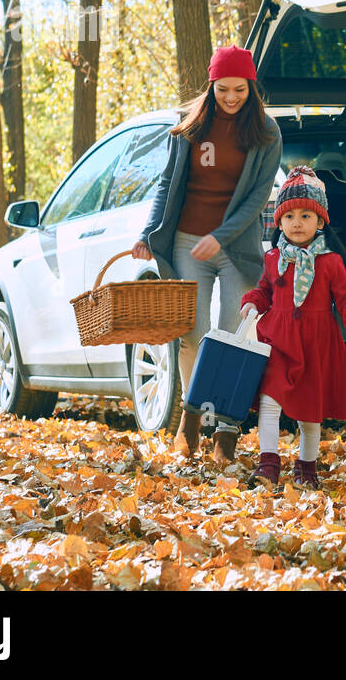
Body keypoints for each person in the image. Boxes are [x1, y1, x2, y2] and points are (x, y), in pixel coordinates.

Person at [132, 45, 282, 465]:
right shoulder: (188, 127)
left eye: (240, 90)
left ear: (251, 88)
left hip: (237, 249)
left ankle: (227, 431)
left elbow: (257, 199)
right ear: (211, 86)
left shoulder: (267, 132)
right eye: (223, 90)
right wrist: (148, 232)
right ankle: (191, 416)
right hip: (185, 242)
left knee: (232, 340)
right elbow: (166, 184)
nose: (231, 98)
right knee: (192, 336)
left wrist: (220, 235)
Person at [240, 169, 346, 490]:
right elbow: (264, 290)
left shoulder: (330, 263)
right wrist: (253, 302)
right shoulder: (273, 259)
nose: (298, 223)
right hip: (277, 341)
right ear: (279, 222)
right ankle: (268, 463)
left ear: (320, 221)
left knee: (309, 415)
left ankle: (306, 468)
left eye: (306, 215)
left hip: (315, 345)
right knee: (270, 402)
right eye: (291, 216)